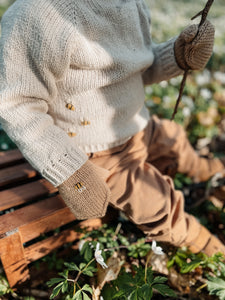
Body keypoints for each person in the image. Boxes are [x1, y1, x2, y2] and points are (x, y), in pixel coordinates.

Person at [0, 0, 224, 256]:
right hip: (97, 152)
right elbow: (17, 103)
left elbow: (136, 68)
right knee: (157, 204)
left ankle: (208, 172)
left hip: (138, 125)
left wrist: (176, 56)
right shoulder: (39, 14)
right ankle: (211, 254)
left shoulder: (130, 3)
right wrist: (70, 170)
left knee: (174, 139)